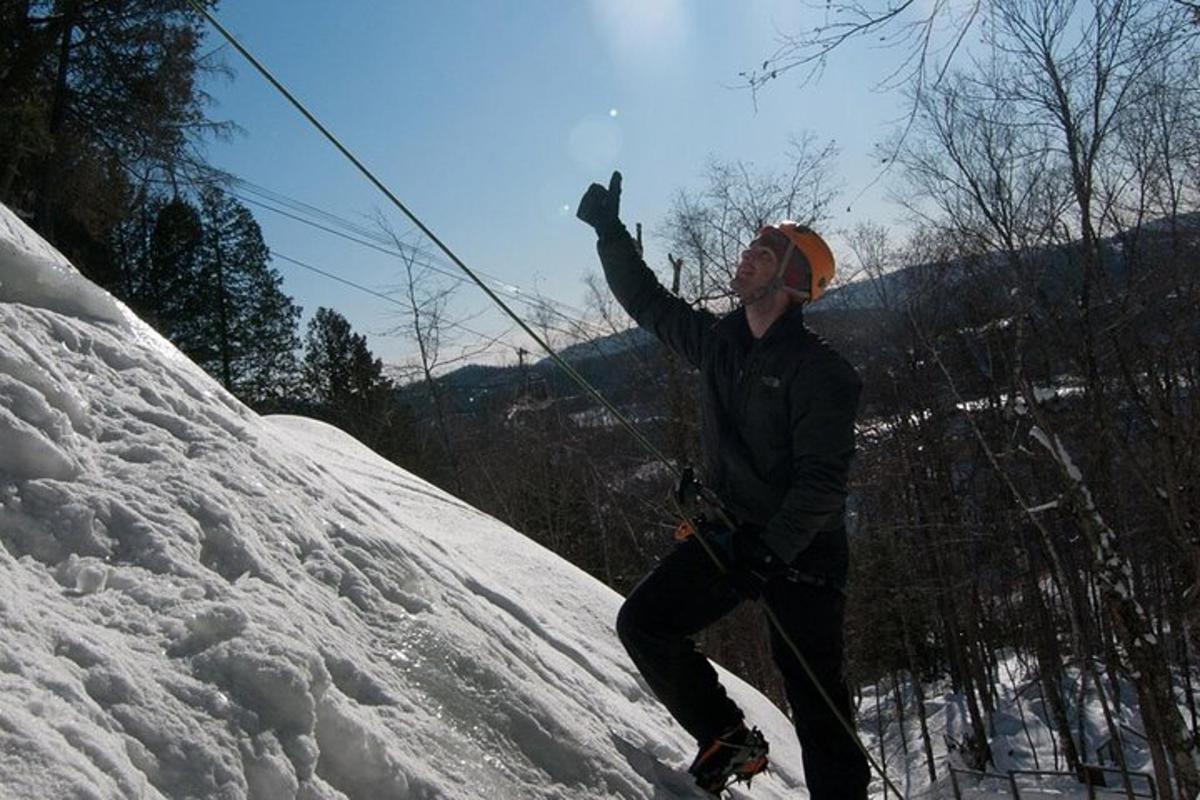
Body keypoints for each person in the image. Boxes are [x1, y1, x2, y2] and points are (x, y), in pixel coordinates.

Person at [577, 171, 869, 798]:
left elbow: (822, 483)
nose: (745, 258)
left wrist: (772, 554)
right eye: (750, 248)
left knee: (815, 698)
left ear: (791, 282)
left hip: (803, 553)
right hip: (736, 537)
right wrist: (609, 236)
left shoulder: (821, 373)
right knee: (646, 624)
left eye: (761, 255)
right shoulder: (720, 345)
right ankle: (726, 734)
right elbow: (650, 304)